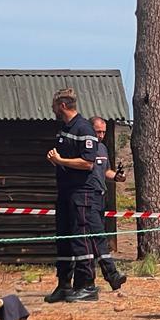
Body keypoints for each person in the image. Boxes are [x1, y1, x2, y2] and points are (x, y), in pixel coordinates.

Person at [44, 89, 98, 303]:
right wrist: (56, 160)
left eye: (54, 106)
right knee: (64, 237)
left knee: (79, 237)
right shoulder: (64, 129)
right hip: (64, 191)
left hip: (80, 193)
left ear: (62, 106)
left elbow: (88, 163)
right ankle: (64, 284)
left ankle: (87, 285)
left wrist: (61, 161)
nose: (53, 110)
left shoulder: (84, 128)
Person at [87, 116, 127, 291]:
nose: (101, 135)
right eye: (98, 132)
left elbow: (106, 171)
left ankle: (89, 280)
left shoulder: (102, 148)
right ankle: (112, 274)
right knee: (99, 237)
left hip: (100, 197)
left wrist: (117, 177)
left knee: (93, 239)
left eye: (103, 132)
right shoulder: (84, 148)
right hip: (87, 197)